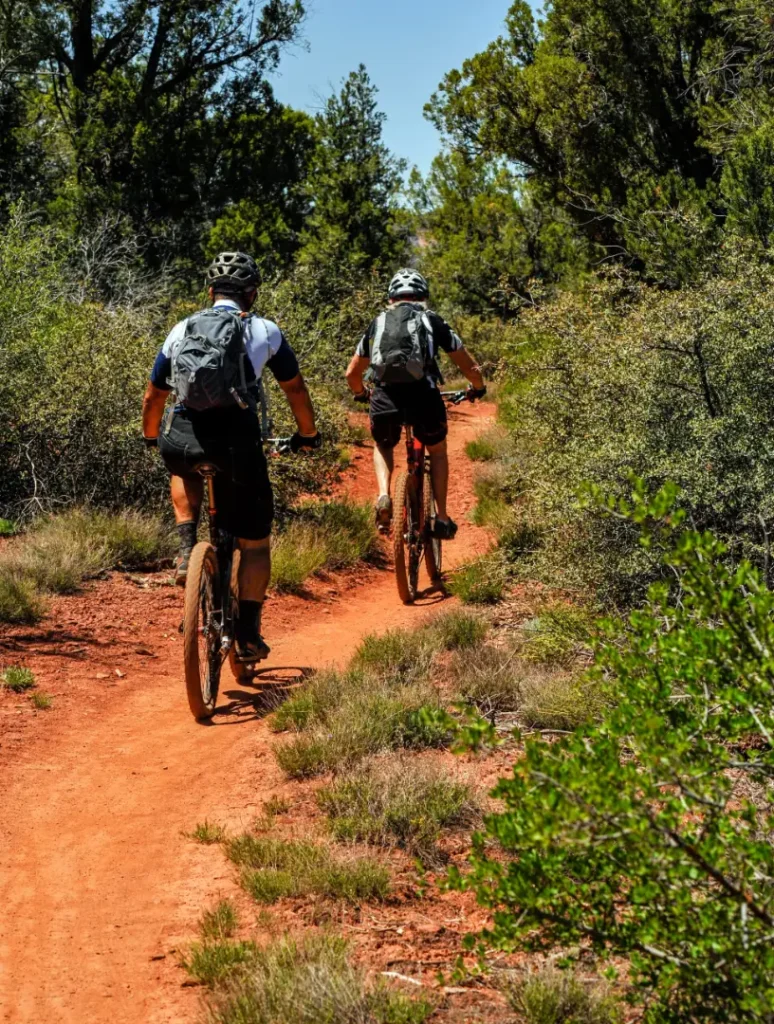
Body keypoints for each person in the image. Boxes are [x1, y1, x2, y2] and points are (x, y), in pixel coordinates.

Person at [142, 252, 321, 663]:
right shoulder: (265, 330)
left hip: (184, 436)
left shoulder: (182, 327)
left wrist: (153, 438)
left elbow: (155, 394)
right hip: (238, 446)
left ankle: (188, 547)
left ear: (210, 292)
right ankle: (247, 634)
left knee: (181, 464)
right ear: (252, 294)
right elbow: (295, 389)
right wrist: (307, 435)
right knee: (255, 543)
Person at [345, 268, 486, 538]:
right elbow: (467, 364)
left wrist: (362, 394)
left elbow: (352, 373)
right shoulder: (432, 320)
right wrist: (478, 387)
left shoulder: (378, 322)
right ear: (423, 296)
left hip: (385, 398)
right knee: (438, 449)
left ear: (391, 298)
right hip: (424, 396)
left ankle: (385, 494)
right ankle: (441, 518)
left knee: (383, 444)